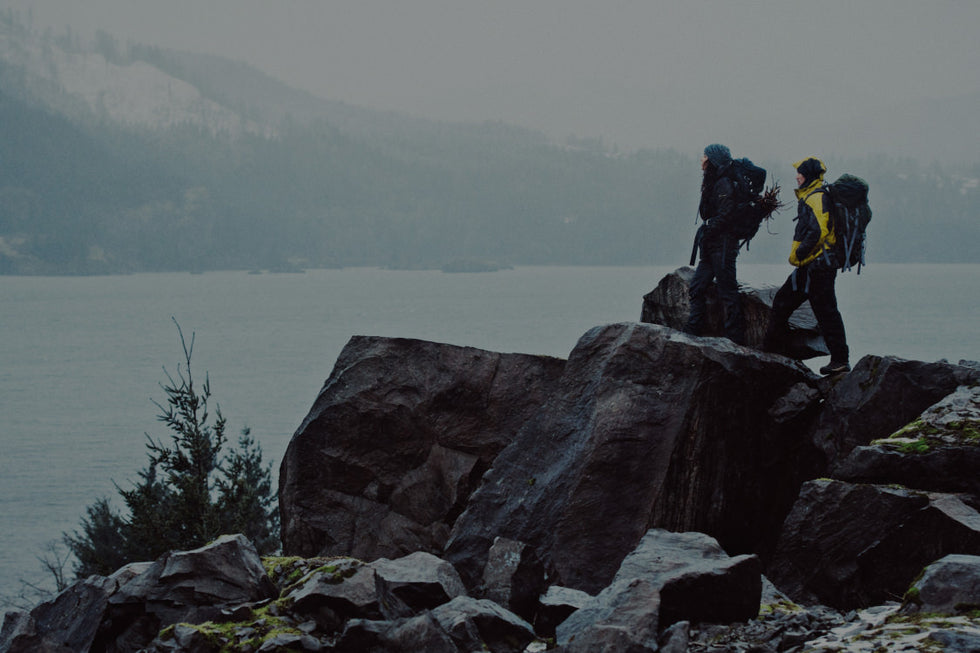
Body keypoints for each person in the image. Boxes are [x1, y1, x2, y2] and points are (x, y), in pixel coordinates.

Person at [763, 157, 850, 375]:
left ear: (809, 175)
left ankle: (840, 360)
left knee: (826, 312)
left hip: (820, 265)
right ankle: (772, 353)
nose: (797, 176)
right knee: (782, 302)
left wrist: (801, 252)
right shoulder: (812, 195)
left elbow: (819, 230)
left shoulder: (817, 197)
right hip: (810, 266)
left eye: (800, 173)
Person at [684, 143, 745, 344]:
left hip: (724, 244)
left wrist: (709, 229)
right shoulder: (714, 181)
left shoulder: (724, 184)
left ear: (712, 160)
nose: (701, 159)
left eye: (704, 156)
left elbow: (726, 214)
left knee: (727, 290)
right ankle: (692, 331)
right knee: (697, 287)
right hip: (712, 244)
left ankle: (734, 339)